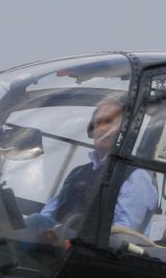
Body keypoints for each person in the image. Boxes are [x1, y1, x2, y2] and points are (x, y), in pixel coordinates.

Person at [28, 95, 158, 241]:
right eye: (98, 123)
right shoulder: (77, 172)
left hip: (91, 251)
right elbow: (49, 212)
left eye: (109, 122)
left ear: (124, 130)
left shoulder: (135, 175)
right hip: (57, 244)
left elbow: (123, 233)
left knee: (34, 222)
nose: (103, 129)